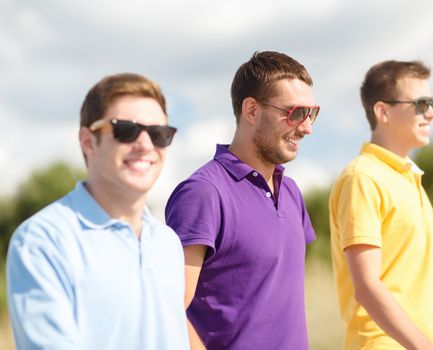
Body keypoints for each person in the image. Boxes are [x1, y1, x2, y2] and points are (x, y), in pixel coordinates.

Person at [7, 73, 190, 350]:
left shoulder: (168, 243)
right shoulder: (42, 241)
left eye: (159, 134)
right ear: (88, 141)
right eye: (125, 130)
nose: (145, 145)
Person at [165, 51, 319, 349]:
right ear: (251, 110)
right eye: (296, 113)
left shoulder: (291, 192)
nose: (307, 127)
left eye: (312, 113)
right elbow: (168, 309)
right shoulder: (203, 193)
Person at [330, 60, 433, 349]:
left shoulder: (409, 178)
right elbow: (367, 287)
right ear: (382, 111)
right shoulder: (362, 178)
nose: (431, 114)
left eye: (432, 103)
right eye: (421, 104)